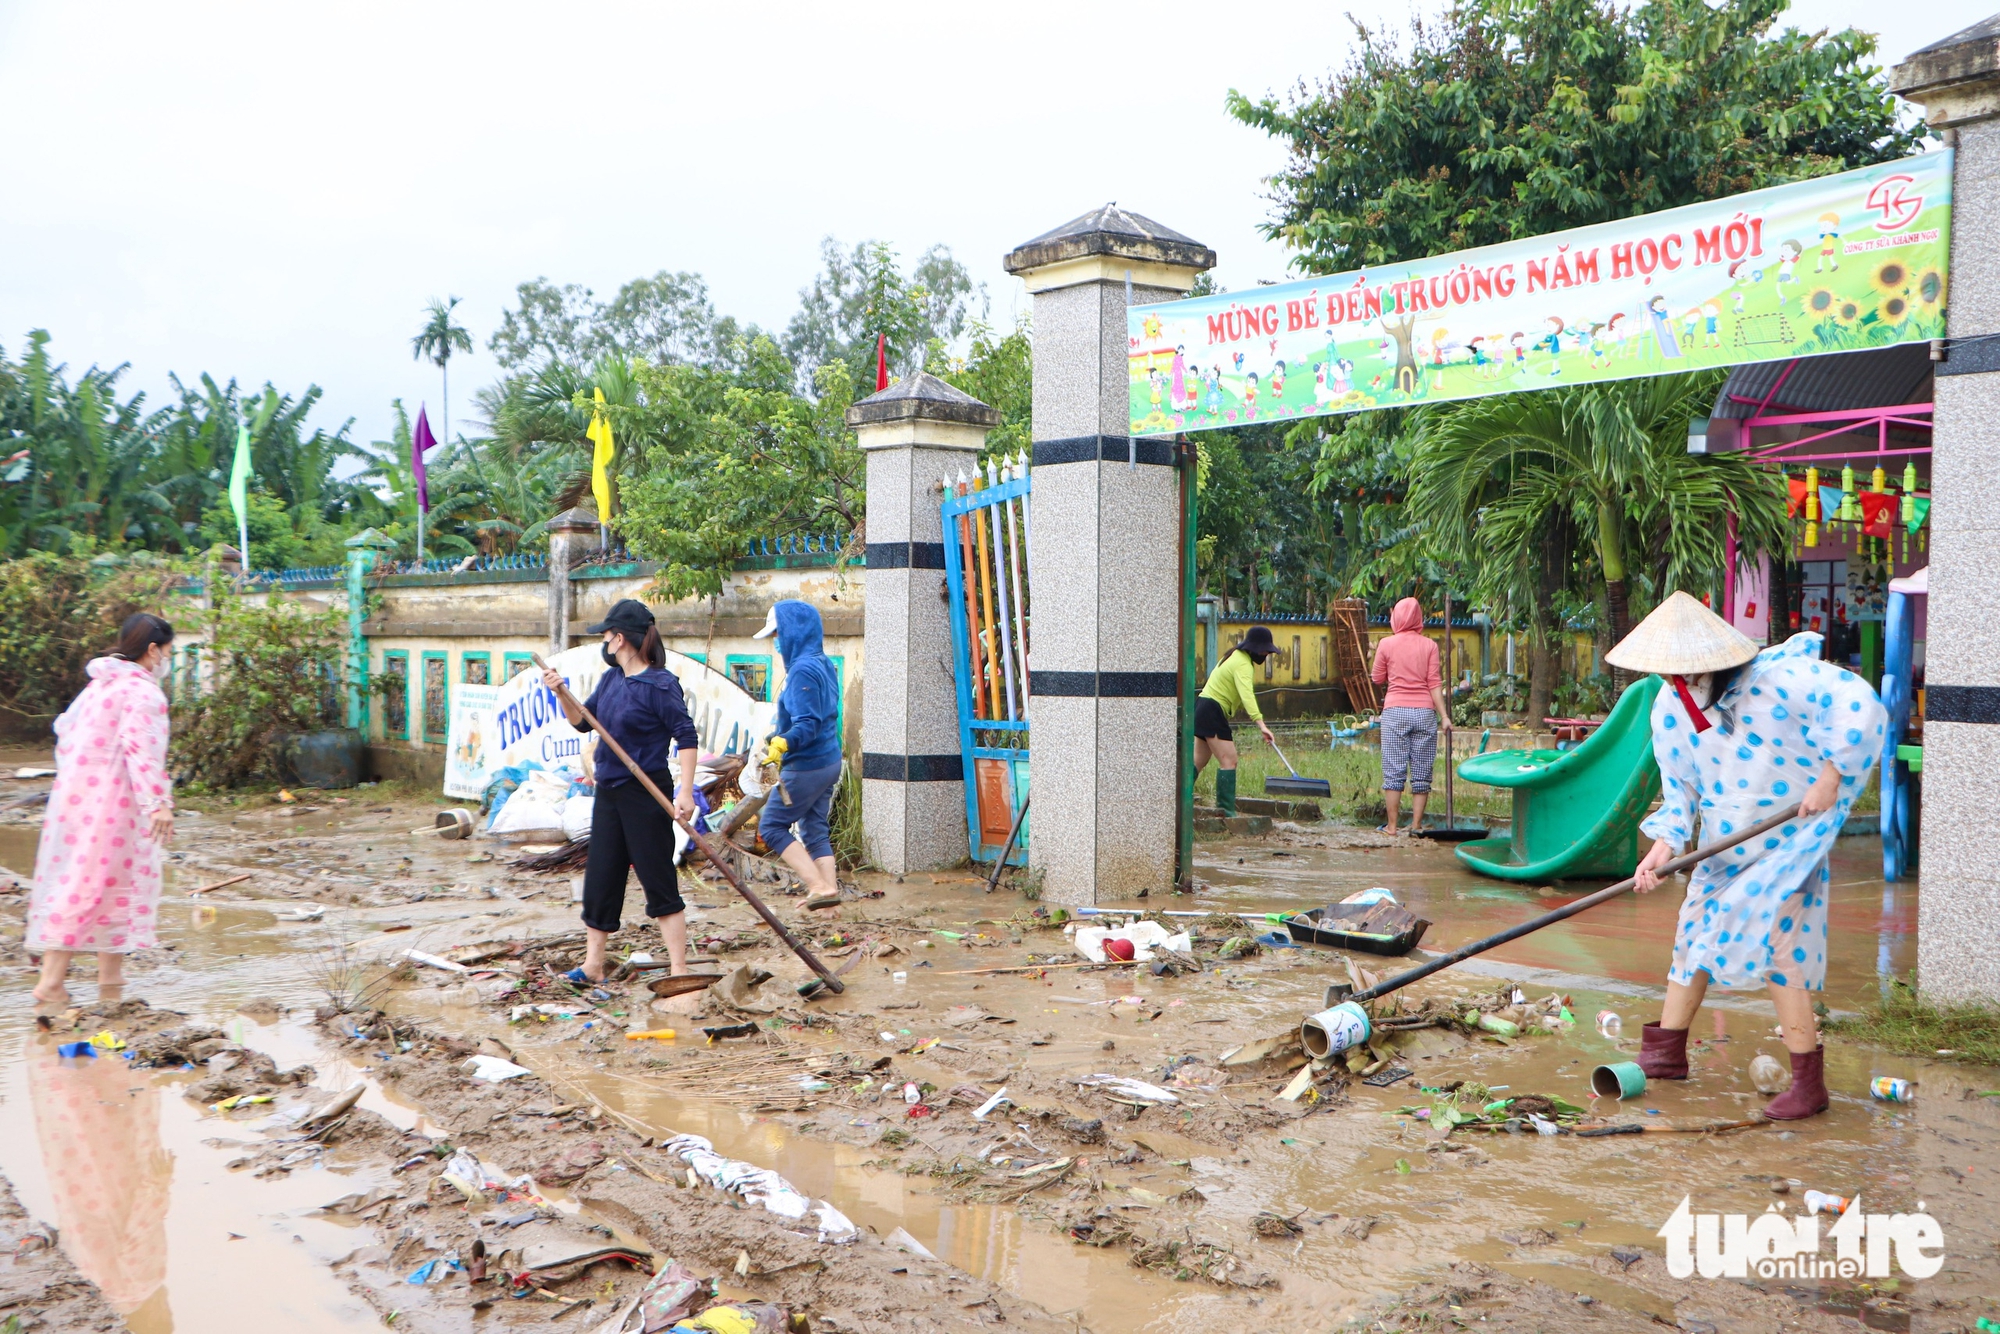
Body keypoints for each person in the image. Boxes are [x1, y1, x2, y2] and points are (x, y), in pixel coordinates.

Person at [1611, 591, 1887, 1121]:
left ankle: (1808, 1083)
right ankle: (1666, 1053)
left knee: (1782, 945)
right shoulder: (1669, 705)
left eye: (1684, 671)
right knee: (1692, 936)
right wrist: (1661, 849)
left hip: (1790, 840)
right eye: (1668, 672)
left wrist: (1831, 776)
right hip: (1724, 843)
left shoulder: (1781, 679)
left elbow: (1859, 704)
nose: (1676, 680)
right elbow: (1680, 790)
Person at [541, 599, 699, 985]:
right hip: (609, 792)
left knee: (657, 877)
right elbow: (583, 722)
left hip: (645, 794)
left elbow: (686, 736)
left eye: (606, 634)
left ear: (621, 639)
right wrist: (561, 693)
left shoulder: (660, 685)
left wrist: (686, 792)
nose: (604, 641)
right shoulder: (611, 680)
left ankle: (679, 969)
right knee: (602, 877)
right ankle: (593, 966)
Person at [29, 613, 176, 1004]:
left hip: (78, 800)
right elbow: (141, 751)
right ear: (152, 650)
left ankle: (111, 981)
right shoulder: (142, 693)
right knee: (90, 886)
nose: (167, 660)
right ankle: (51, 983)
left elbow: (64, 730)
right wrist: (158, 802)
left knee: (107, 884)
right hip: (117, 803)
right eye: (167, 652)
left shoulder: (100, 684)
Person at [756, 601, 845, 910]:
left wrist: (782, 743)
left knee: (771, 827)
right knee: (814, 830)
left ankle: (818, 886)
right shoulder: (822, 662)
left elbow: (807, 724)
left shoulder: (802, 670)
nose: (776, 642)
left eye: (777, 634)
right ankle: (829, 897)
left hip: (807, 765)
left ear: (793, 631)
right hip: (829, 760)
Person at [1371, 597, 1452, 835]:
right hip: (1425, 713)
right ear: (1418, 618)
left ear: (1396, 617)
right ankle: (1416, 825)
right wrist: (1444, 716)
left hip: (1395, 712)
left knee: (1394, 771)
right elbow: (1434, 683)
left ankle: (1392, 826)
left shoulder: (1386, 644)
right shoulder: (1430, 646)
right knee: (1422, 772)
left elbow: (1377, 678)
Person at [1195, 625, 1278, 818]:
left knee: (1197, 761)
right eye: (1265, 650)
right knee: (1229, 761)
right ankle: (1226, 814)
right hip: (1212, 710)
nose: (1267, 654)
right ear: (1255, 648)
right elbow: (1247, 695)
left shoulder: (1233, 655)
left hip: (1202, 707)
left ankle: (1177, 803)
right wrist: (1262, 725)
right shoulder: (1243, 664)